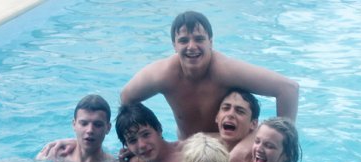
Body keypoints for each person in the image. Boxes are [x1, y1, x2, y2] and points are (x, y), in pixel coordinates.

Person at [120, 11, 299, 140]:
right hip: (188, 152)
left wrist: (282, 144)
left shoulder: (225, 71)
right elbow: (126, 98)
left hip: (228, 148)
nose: (191, 47)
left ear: (211, 42)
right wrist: (138, 142)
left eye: (199, 39)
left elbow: (288, 89)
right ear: (174, 45)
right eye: (183, 40)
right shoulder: (163, 74)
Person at [36, 94, 113, 162]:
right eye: (84, 124)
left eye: (98, 125)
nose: (90, 130)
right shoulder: (53, 155)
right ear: (74, 125)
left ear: (108, 128)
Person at [115, 103, 183, 162]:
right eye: (132, 140)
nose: (142, 145)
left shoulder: (186, 157)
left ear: (159, 130)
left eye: (146, 134)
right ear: (127, 145)